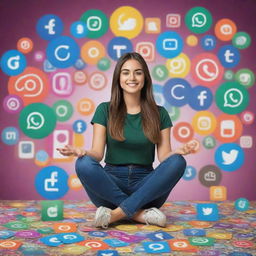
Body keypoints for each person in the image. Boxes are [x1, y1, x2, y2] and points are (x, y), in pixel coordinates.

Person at [57, 52, 199, 229]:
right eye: (126, 72)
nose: (132, 77)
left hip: (147, 187)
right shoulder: (104, 110)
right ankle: (140, 215)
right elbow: (97, 154)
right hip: (110, 187)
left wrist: (179, 152)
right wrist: (82, 152)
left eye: (138, 72)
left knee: (177, 161)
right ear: (118, 78)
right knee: (84, 163)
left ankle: (116, 214)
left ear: (145, 78)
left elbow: (164, 157)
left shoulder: (160, 113)